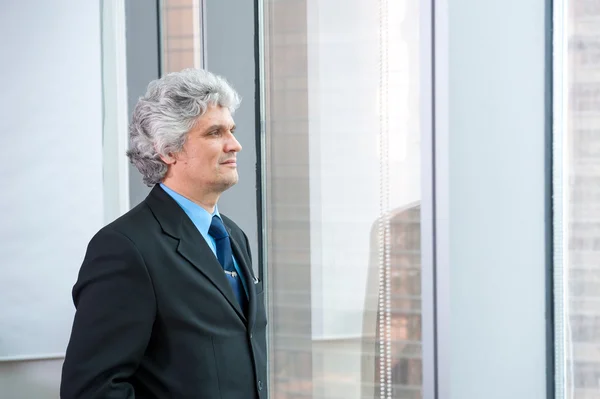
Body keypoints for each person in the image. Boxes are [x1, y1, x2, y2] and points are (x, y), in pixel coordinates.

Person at [60, 69, 267, 399]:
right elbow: (92, 390)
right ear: (167, 150)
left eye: (232, 129)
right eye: (215, 133)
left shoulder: (233, 236)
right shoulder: (125, 248)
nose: (235, 144)